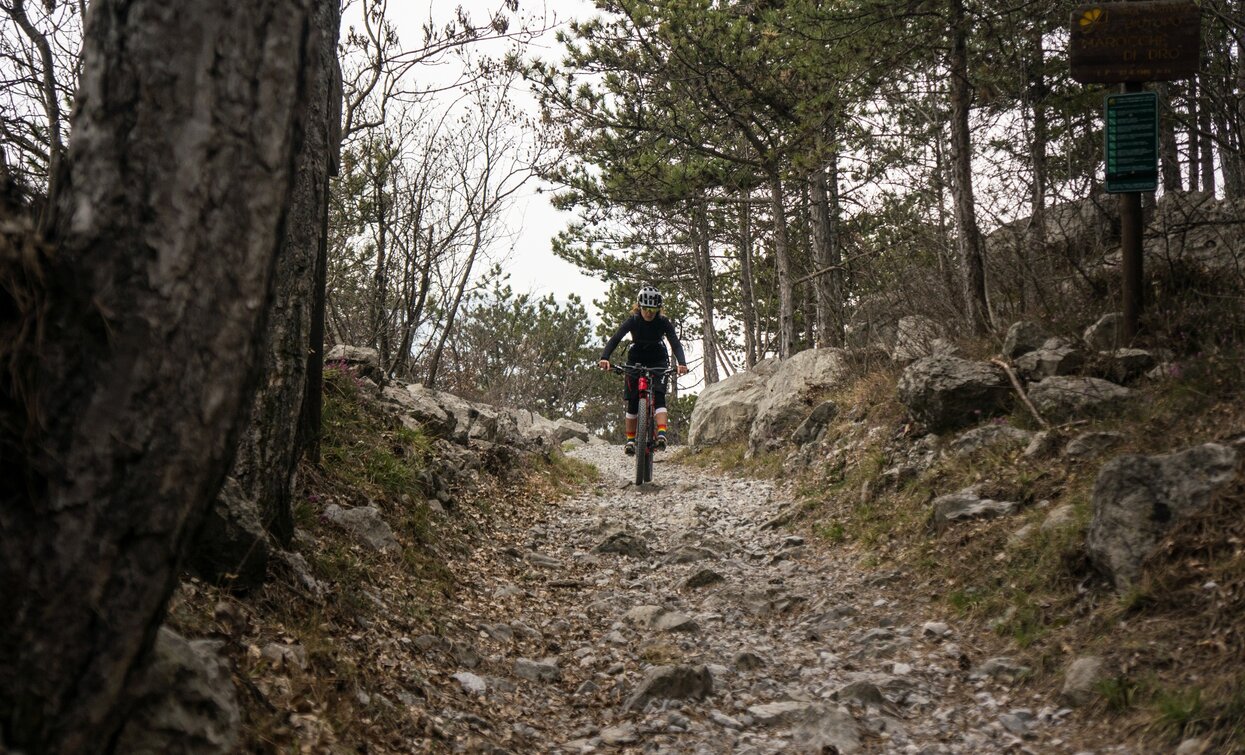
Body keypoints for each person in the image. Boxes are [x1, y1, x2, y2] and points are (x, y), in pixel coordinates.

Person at [598, 285, 689, 454]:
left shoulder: (663, 322)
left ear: (658, 309)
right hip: (636, 358)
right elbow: (616, 338)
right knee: (632, 401)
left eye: (653, 310)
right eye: (646, 309)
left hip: (658, 358)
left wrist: (681, 363)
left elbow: (675, 343)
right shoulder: (633, 320)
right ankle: (630, 441)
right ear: (639, 307)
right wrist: (605, 357)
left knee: (659, 395)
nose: (649, 313)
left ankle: (661, 435)